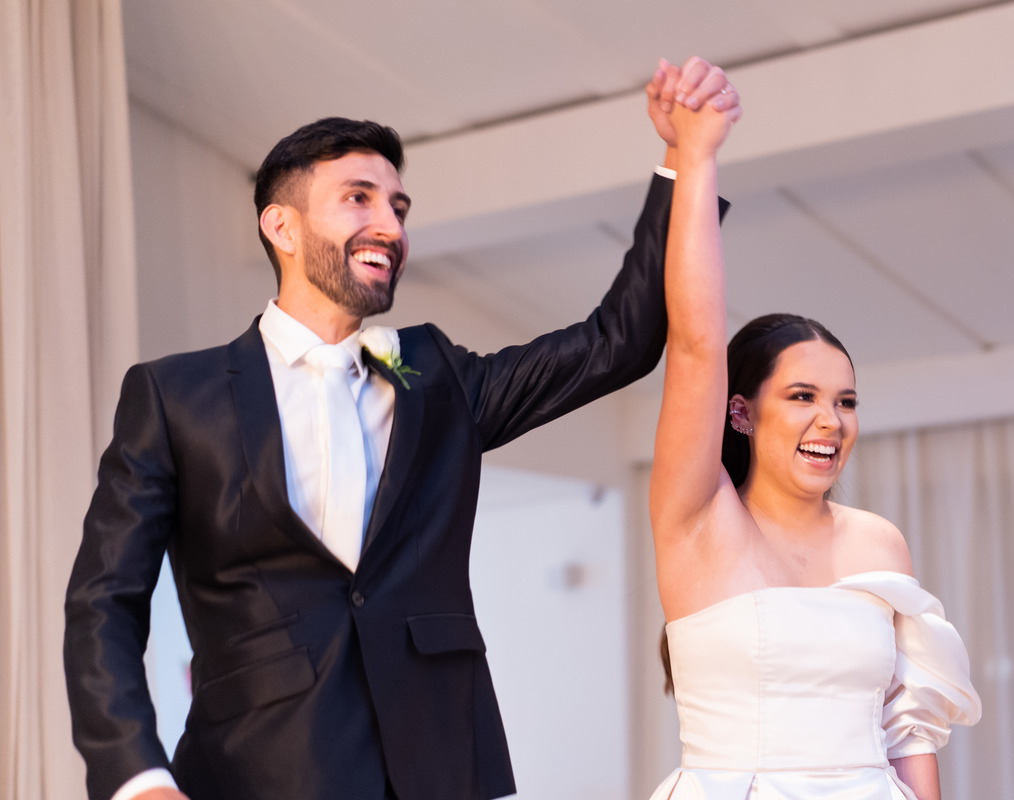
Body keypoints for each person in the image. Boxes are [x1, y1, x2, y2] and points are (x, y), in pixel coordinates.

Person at [63, 58, 738, 800]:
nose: (389, 225)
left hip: (443, 771)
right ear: (280, 225)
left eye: (399, 206)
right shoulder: (175, 394)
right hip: (251, 776)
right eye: (359, 199)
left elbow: (620, 341)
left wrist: (685, 158)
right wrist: (137, 775)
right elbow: (105, 602)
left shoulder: (432, 374)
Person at [645, 72, 981, 799]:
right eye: (802, 397)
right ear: (740, 412)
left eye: (846, 401)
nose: (831, 421)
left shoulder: (878, 543)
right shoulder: (698, 522)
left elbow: (907, 724)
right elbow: (697, 342)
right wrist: (694, 157)